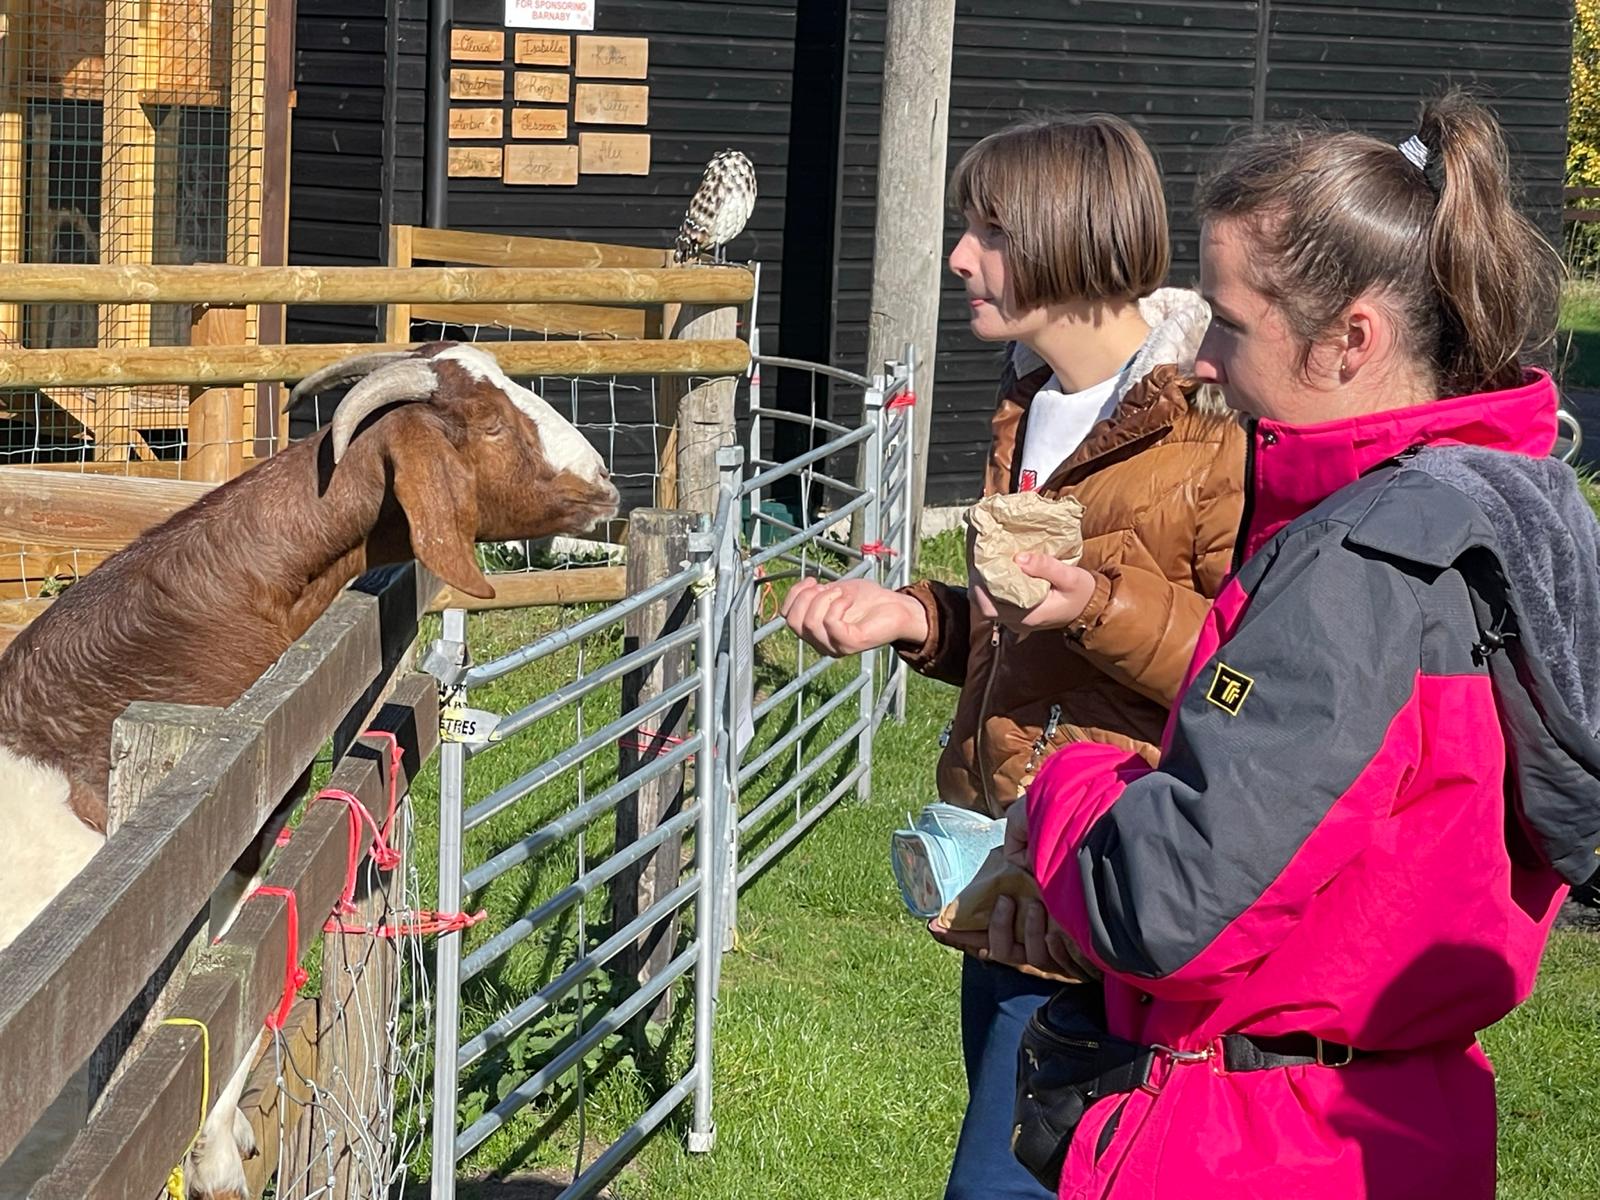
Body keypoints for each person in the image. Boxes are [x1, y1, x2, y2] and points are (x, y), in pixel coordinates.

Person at [1012, 92, 1587, 1199]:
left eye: (1228, 320)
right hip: (1403, 1112)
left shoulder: (1359, 567)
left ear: (1350, 339)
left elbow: (1169, 910)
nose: (1206, 362)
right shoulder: (1506, 514)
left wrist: (1067, 790)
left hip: (1259, 1140)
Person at [779, 114, 1245, 1200]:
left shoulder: (1213, 432)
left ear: (1072, 236)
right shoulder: (1032, 403)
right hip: (1006, 890)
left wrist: (1091, 605)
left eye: (988, 229)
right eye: (964, 226)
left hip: (1109, 895)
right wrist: (917, 621)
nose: (959, 257)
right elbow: (1023, 636)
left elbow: (1246, 677)